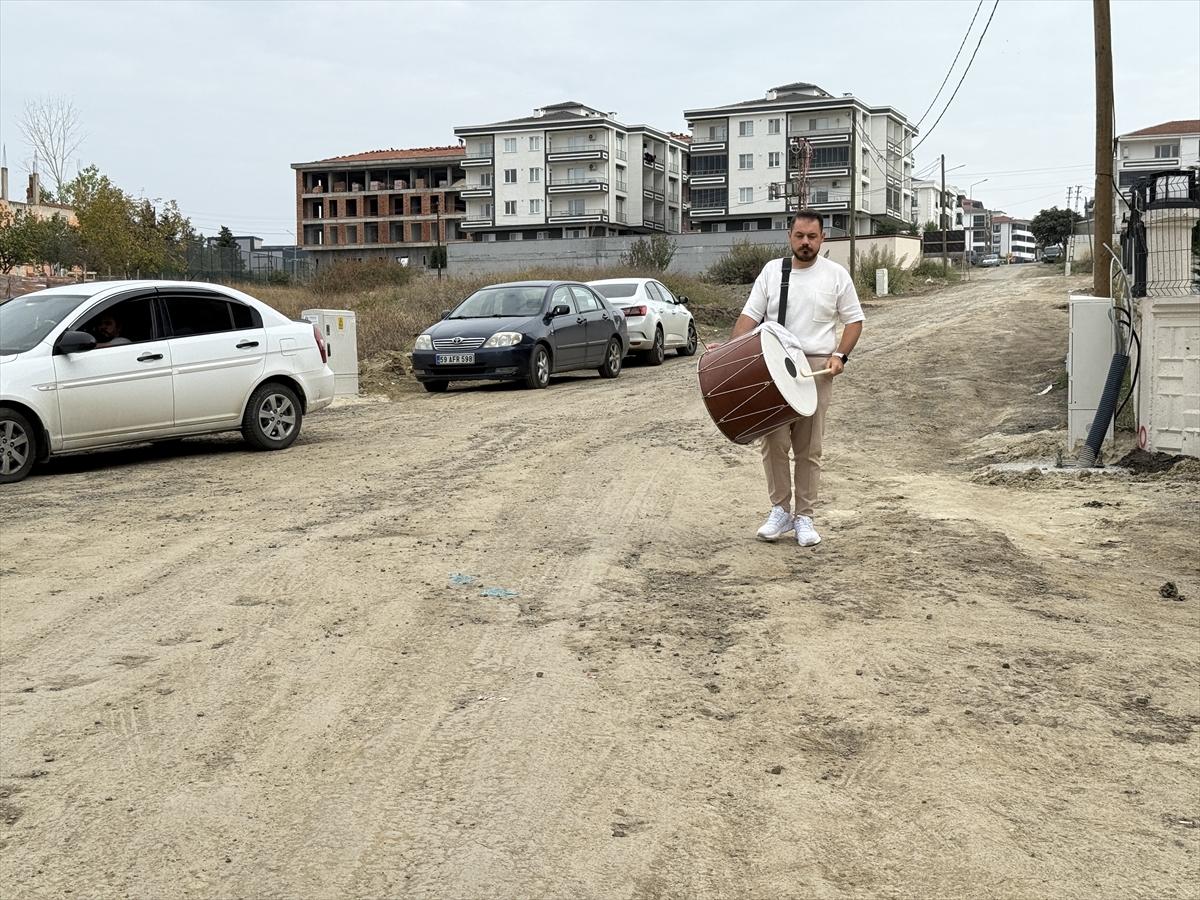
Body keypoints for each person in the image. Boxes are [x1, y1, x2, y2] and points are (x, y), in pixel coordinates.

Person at [729, 209, 863, 547]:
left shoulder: (836, 275)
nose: (805, 242)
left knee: (808, 447)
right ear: (789, 236)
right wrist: (730, 354)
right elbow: (749, 317)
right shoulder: (772, 272)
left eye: (812, 237)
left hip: (815, 367)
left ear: (822, 238)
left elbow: (854, 320)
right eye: (800, 236)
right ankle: (780, 511)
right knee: (773, 441)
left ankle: (805, 516)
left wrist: (840, 355)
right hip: (772, 365)